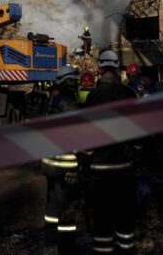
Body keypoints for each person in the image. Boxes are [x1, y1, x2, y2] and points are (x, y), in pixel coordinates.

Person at [79, 50, 138, 254]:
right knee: (125, 218)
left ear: (101, 68)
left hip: (100, 171)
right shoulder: (129, 94)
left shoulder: (93, 97)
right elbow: (140, 133)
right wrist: (135, 154)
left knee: (102, 220)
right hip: (125, 169)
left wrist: (84, 163)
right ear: (117, 68)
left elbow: (87, 137)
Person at [42, 66, 83, 254]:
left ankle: (50, 240)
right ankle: (67, 247)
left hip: (50, 163)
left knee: (52, 205)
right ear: (68, 81)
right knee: (67, 208)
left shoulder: (53, 101)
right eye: (74, 79)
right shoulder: (69, 103)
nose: (77, 83)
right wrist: (79, 161)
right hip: (65, 165)